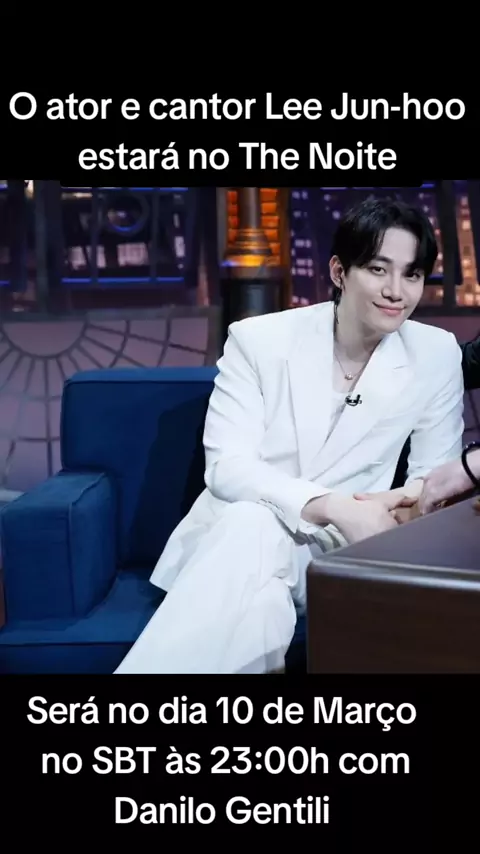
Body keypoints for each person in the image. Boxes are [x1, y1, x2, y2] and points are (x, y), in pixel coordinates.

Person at [114, 197, 465, 675]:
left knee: (253, 538)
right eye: (378, 269)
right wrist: (334, 504)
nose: (396, 291)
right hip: (237, 539)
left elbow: (434, 480)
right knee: (255, 543)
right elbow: (228, 469)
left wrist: (391, 503)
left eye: (412, 274)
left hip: (340, 546)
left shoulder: (435, 353)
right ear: (339, 272)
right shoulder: (259, 340)